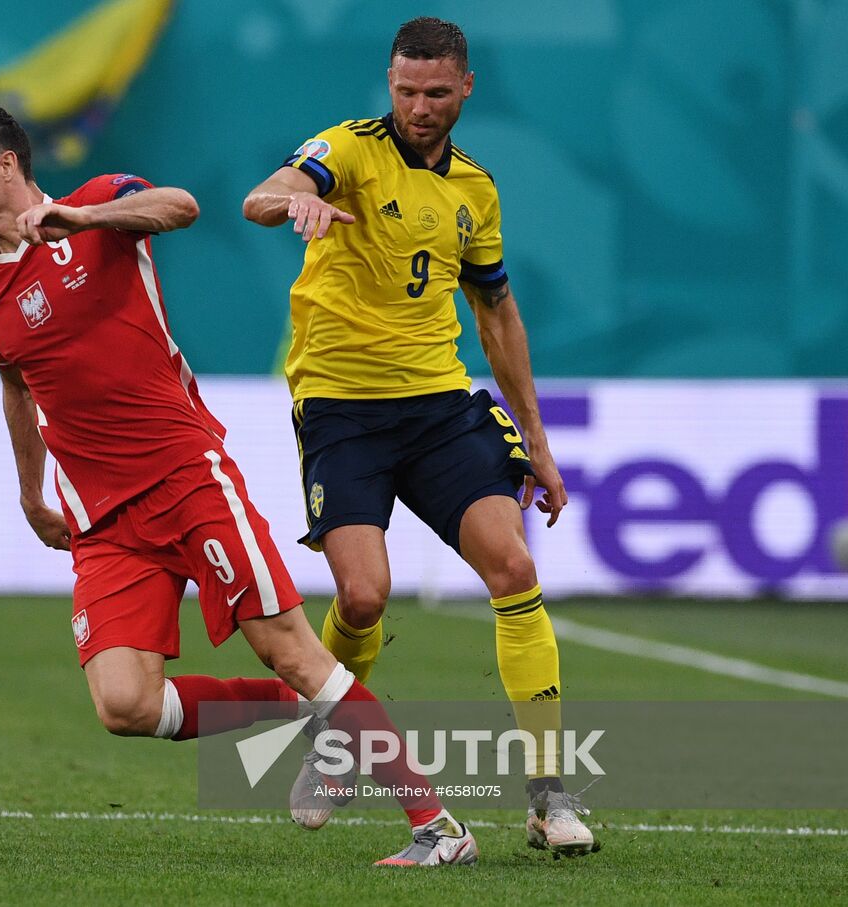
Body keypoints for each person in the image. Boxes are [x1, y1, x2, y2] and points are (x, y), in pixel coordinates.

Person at [0, 103, 477, 867]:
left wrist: (82, 217)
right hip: (103, 517)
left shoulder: (104, 206)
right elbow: (18, 388)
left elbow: (179, 205)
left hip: (185, 477)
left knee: (288, 647)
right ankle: (309, 714)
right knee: (125, 704)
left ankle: (440, 827)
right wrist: (31, 491)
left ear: (5, 165)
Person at [242, 17, 595, 855]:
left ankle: (550, 795)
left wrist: (538, 443)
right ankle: (332, 743)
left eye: (436, 92)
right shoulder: (350, 149)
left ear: (466, 87)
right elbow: (265, 193)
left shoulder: (475, 188)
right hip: (340, 405)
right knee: (364, 596)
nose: (419, 107)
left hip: (439, 403)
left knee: (511, 565)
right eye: (405, 91)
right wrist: (293, 198)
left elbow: (497, 311)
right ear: (388, 83)